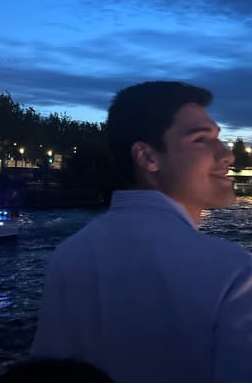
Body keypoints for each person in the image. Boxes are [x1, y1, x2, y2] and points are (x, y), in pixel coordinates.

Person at [30, 81, 252, 383]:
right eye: (201, 139)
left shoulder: (69, 255)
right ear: (147, 157)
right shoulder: (232, 271)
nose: (226, 154)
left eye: (219, 138)